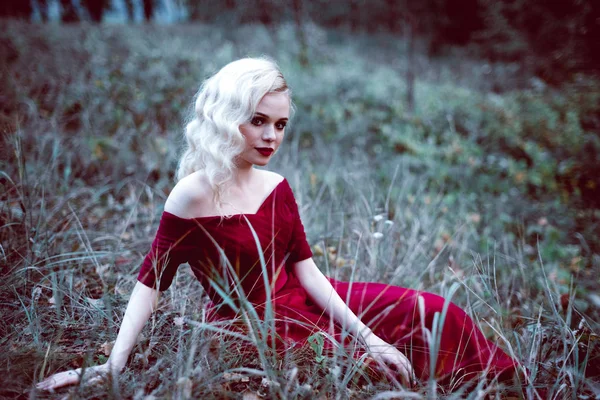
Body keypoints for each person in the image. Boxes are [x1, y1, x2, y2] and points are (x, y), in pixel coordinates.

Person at [36, 57, 518, 392]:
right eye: (258, 121)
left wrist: (367, 331)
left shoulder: (277, 185)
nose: (271, 136)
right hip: (249, 324)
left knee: (431, 310)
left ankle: (485, 385)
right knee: (364, 369)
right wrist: (114, 363)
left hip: (300, 297)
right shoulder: (192, 194)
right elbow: (151, 281)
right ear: (227, 119)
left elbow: (307, 271)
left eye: (281, 124)